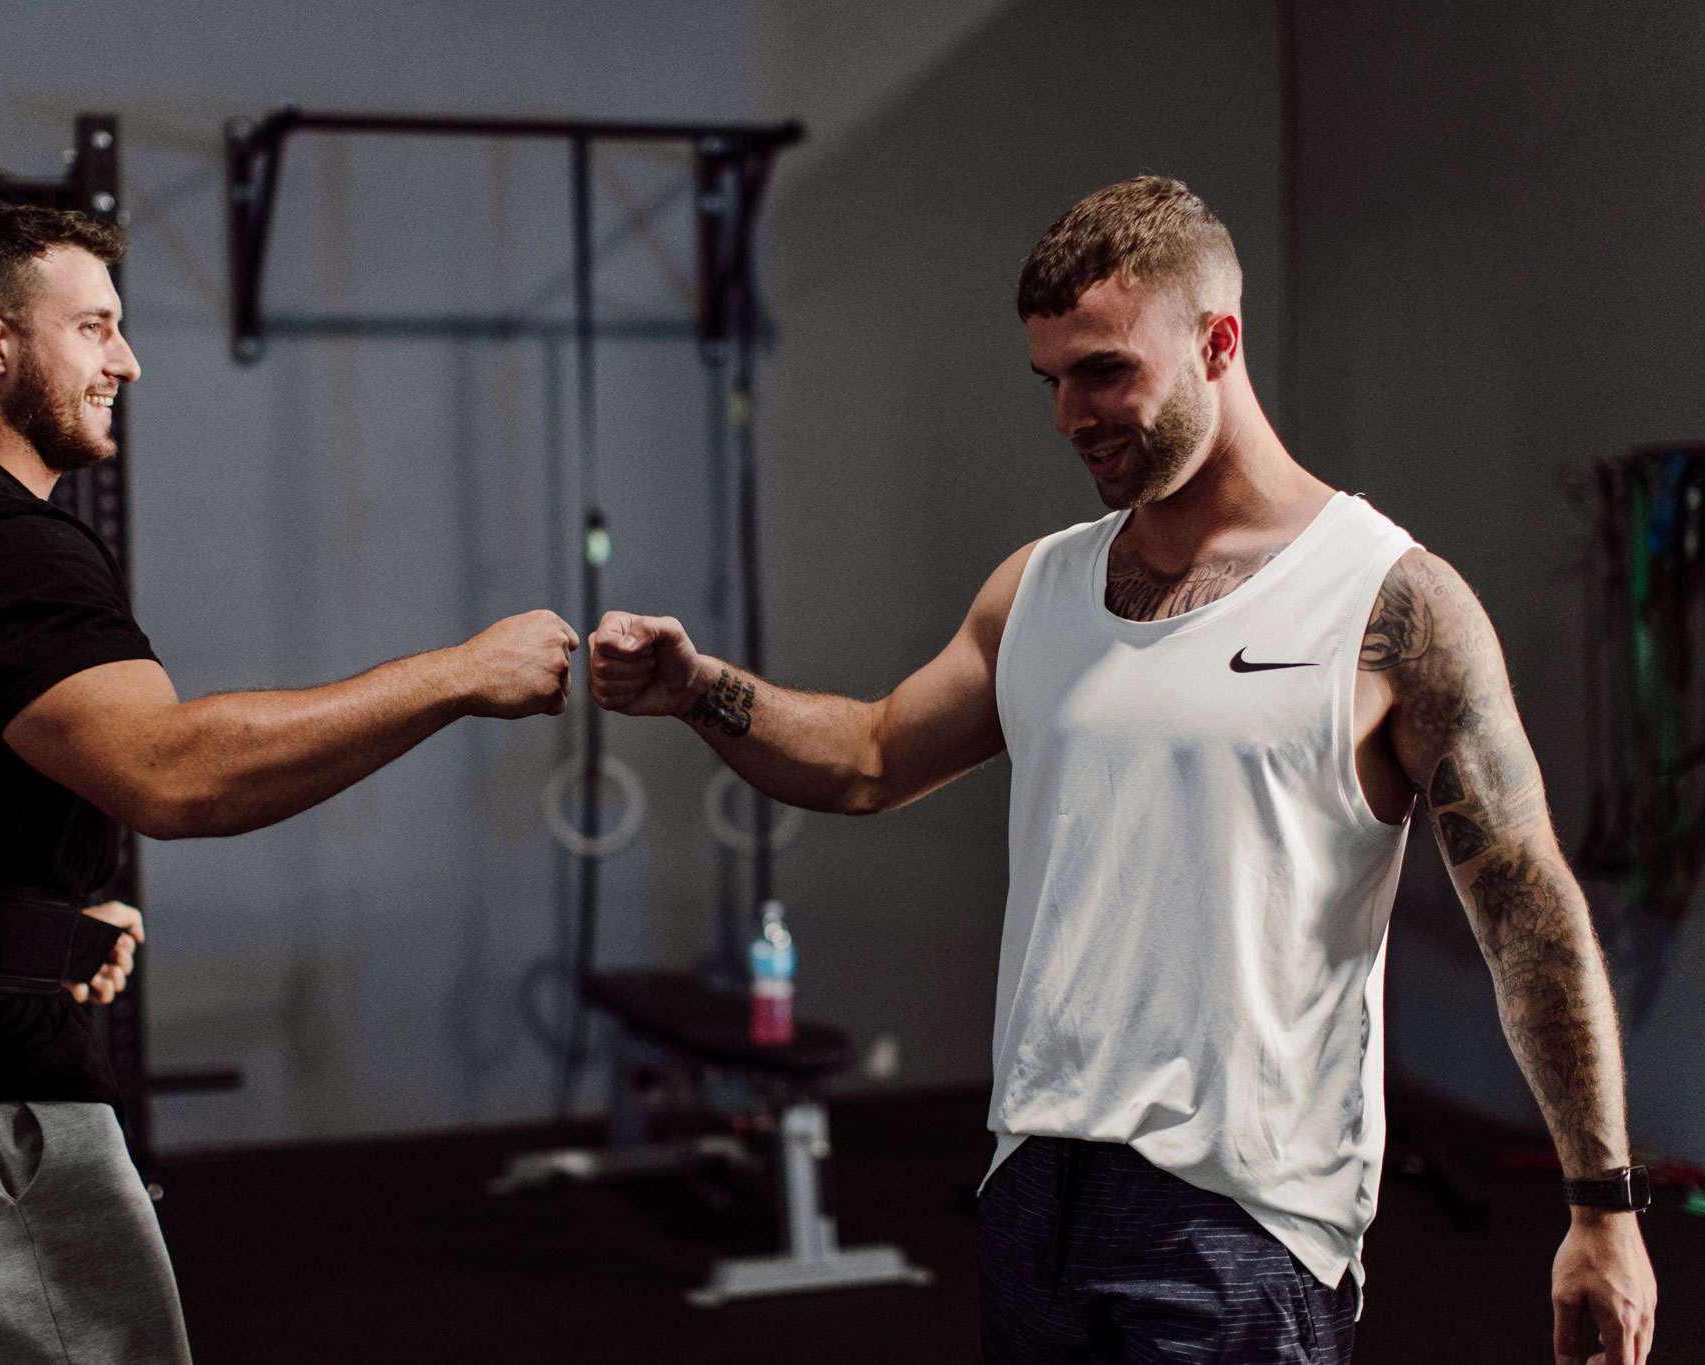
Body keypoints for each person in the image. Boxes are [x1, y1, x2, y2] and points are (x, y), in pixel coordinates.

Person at [588, 176, 1656, 1363]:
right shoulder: (1036, 586)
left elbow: (1523, 907)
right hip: (1035, 1191)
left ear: (1217, 342)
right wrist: (698, 690)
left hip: (1241, 1227)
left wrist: (1599, 1207)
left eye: (1102, 371)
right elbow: (871, 756)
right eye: (1048, 381)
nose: (1069, 417)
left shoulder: (1388, 603)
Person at [0, 202, 579, 1364]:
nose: (127, 361)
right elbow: (174, 774)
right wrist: (458, 676)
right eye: (95, 328)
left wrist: (47, 913)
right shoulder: (2, 546)